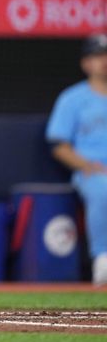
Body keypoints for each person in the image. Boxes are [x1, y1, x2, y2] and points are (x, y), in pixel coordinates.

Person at [46, 34, 107, 286]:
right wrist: (85, 165)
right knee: (103, 189)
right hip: (92, 170)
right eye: (98, 56)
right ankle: (103, 258)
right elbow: (58, 145)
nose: (104, 62)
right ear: (86, 63)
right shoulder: (72, 99)